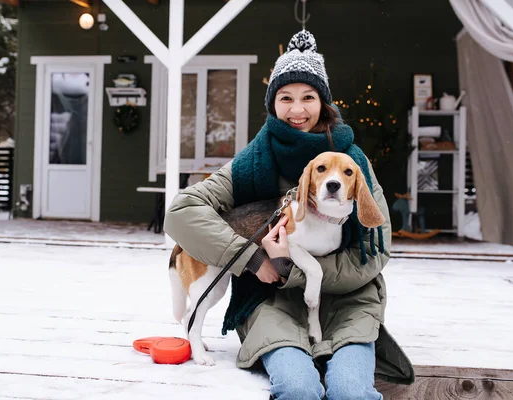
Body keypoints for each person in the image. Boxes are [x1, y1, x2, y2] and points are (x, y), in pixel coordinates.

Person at [164, 30, 414, 400]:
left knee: (350, 392)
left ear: (323, 103)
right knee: (298, 390)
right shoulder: (252, 161)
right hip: (270, 303)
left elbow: (375, 254)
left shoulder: (354, 165)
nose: (297, 109)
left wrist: (297, 272)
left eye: (308, 97)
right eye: (286, 98)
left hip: (347, 303)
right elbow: (181, 215)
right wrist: (254, 258)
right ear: (273, 104)